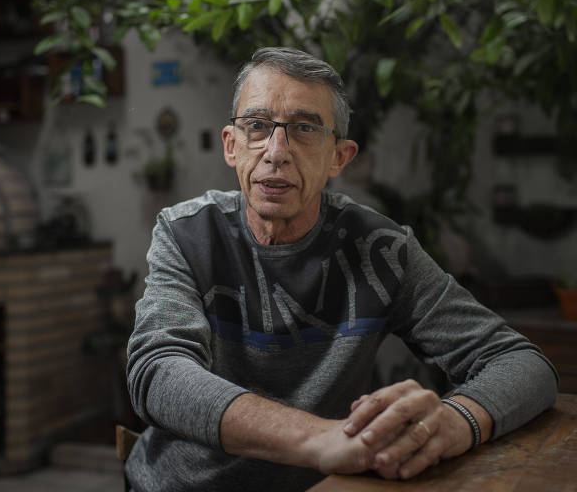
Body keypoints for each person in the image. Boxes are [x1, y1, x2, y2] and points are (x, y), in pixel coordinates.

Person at [124, 47, 558, 491]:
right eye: (257, 126)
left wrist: (455, 420)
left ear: (339, 157)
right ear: (232, 146)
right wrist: (319, 439)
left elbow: (522, 362)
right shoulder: (186, 234)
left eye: (305, 129)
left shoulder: (382, 250)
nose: (276, 152)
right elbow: (158, 371)